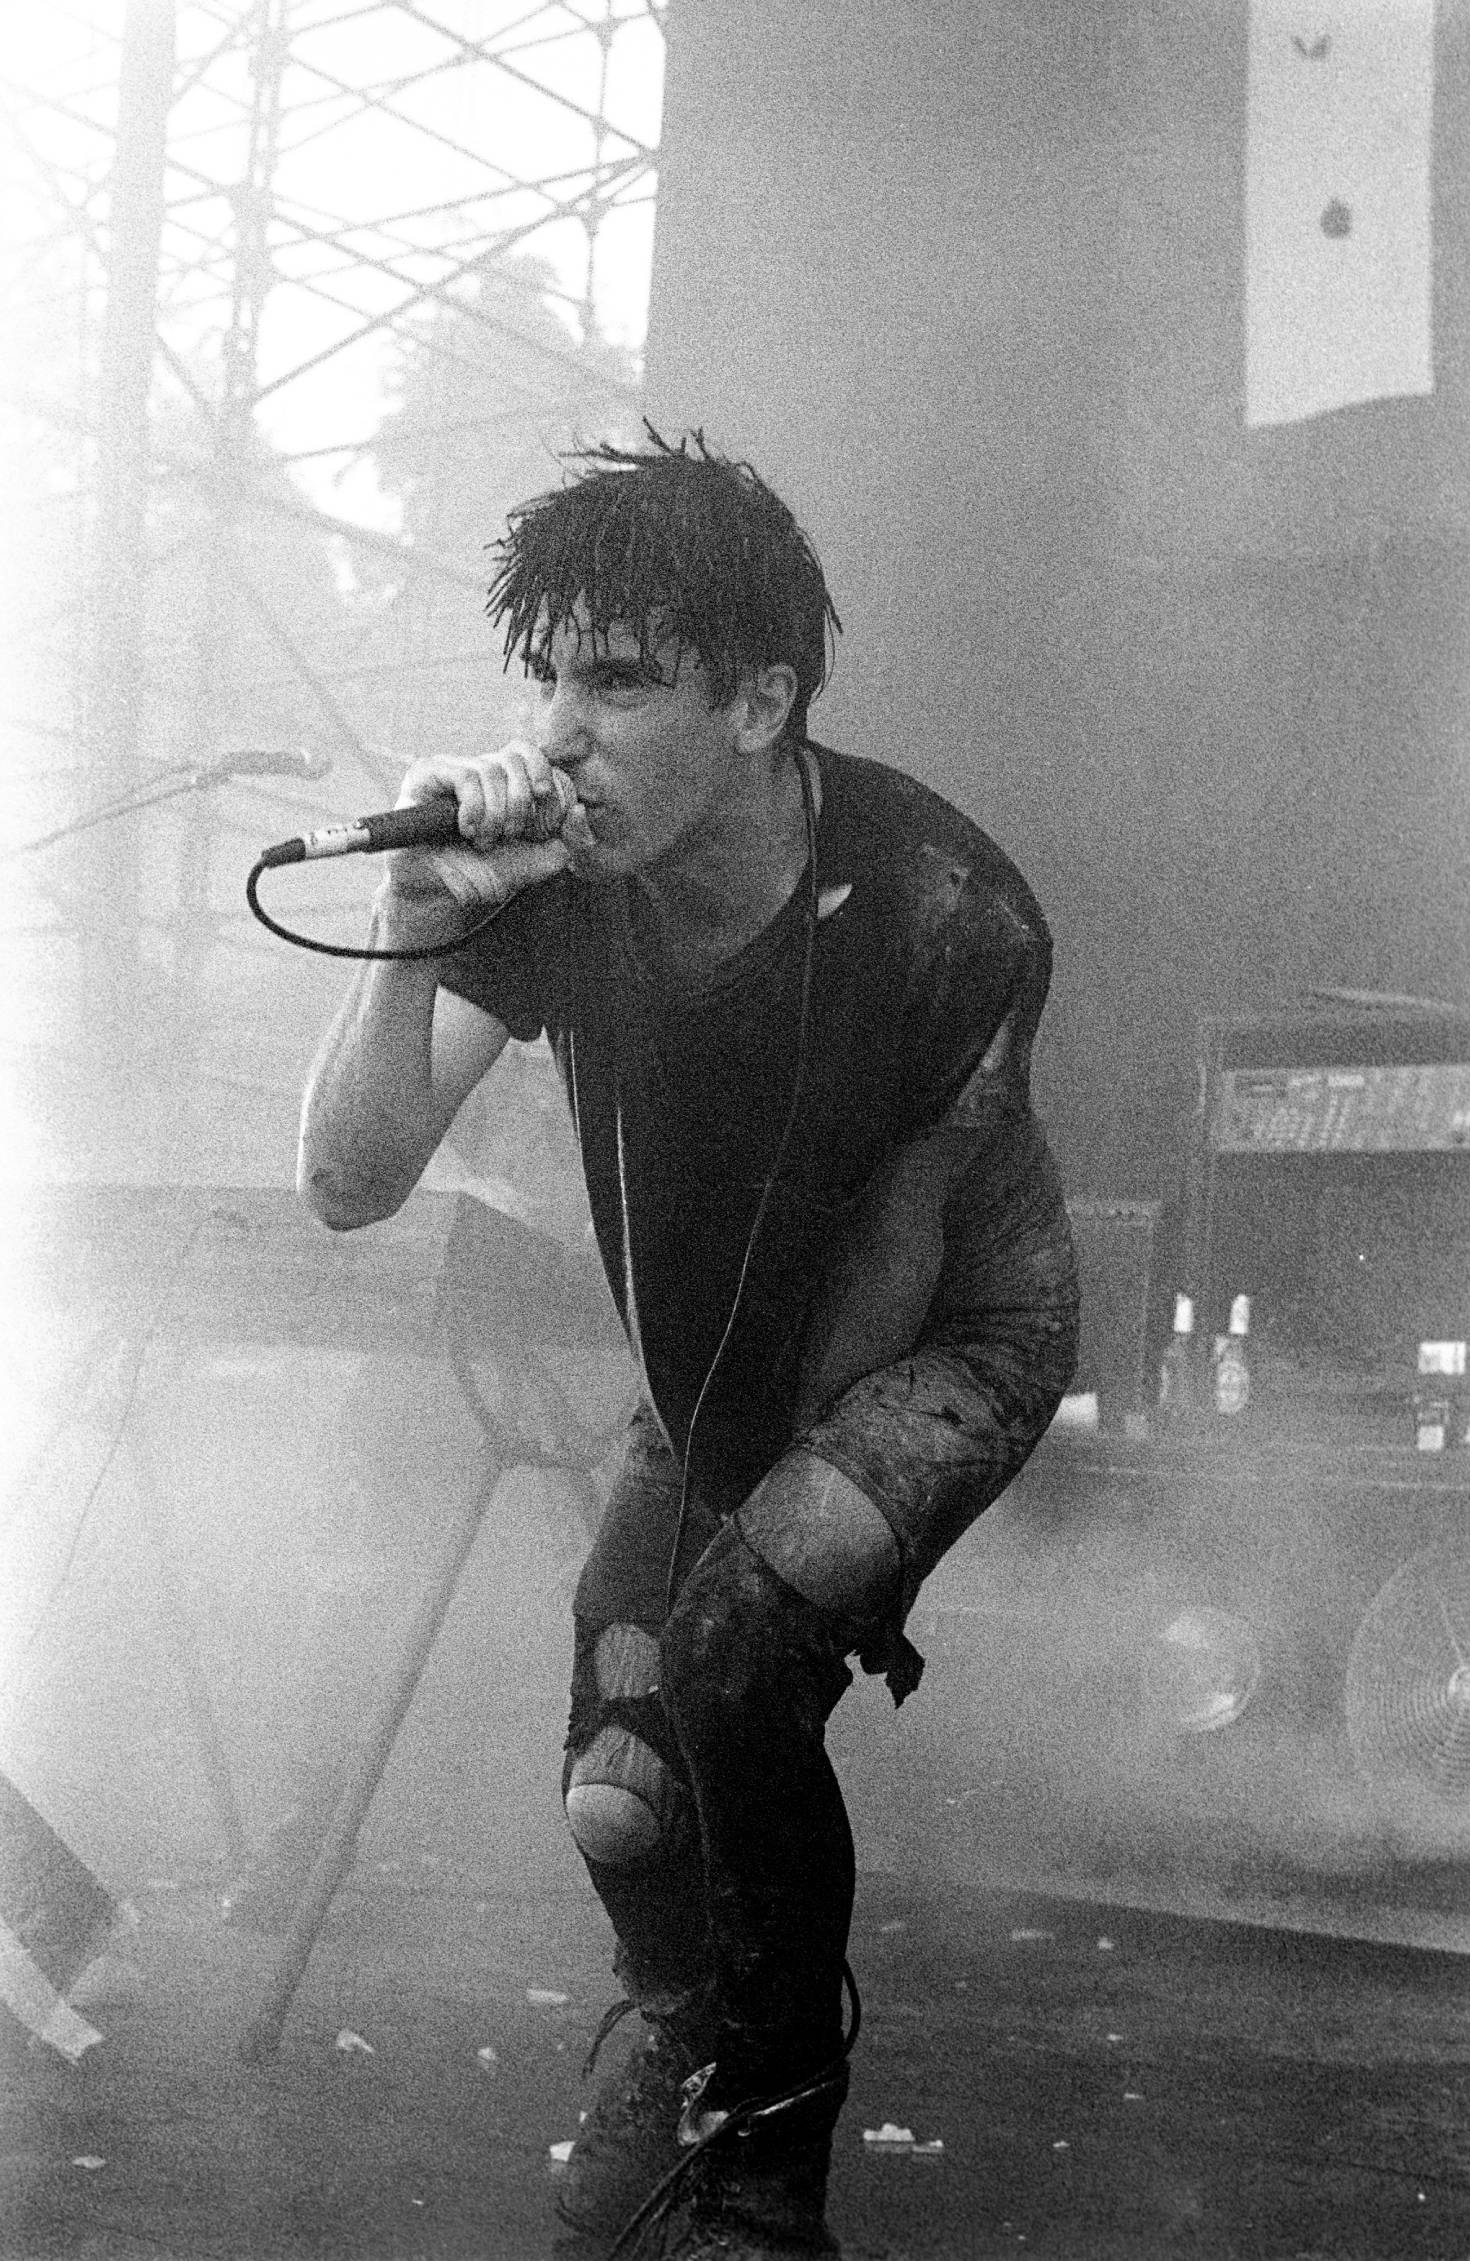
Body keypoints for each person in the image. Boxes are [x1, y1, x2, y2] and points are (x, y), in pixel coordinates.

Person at [297, 430, 1079, 2260]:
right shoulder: (558, 881)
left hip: (942, 1338)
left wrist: (750, 1622)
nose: (558, 733)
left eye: (620, 678)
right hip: (722, 1349)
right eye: (545, 672)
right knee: (615, 1797)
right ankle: (674, 2009)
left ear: (760, 701)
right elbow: (346, 1183)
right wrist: (415, 933)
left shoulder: (944, 912)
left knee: (728, 1659)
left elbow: (881, 1289)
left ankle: (761, 2159)